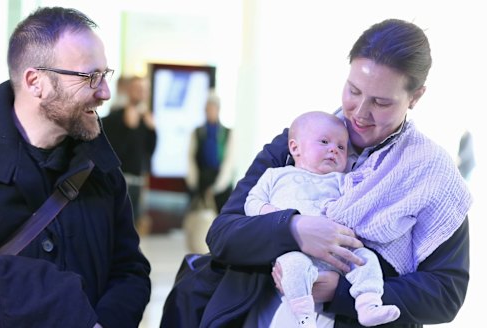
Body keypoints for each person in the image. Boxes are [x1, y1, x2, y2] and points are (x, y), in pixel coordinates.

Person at [197, 18, 473, 328]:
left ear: (416, 96)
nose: (360, 113)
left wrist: (340, 292)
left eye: (381, 102)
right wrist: (293, 228)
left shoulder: (430, 174)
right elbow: (223, 235)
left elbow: (445, 294)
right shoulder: (299, 143)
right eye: (354, 91)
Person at [0, 6, 150, 328]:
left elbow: (129, 269)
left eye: (105, 75)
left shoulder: (101, 167)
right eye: (91, 77)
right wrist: (49, 302)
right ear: (36, 82)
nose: (104, 92)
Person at [244, 111, 399, 327]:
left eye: (341, 147)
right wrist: (276, 215)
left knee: (365, 259)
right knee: (293, 266)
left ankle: (368, 304)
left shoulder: (343, 181)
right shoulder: (276, 175)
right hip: (295, 250)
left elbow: (360, 207)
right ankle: (304, 316)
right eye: (324, 142)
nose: (334, 149)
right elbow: (252, 202)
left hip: (339, 255)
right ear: (295, 147)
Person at [102, 75, 157, 229]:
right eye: (138, 89)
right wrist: (128, 128)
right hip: (119, 181)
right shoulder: (114, 118)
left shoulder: (145, 120)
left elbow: (148, 153)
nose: (142, 93)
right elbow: (114, 152)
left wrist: (153, 131)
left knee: (132, 228)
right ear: (128, 90)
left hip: (138, 182)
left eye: (145, 89)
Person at [185, 92, 235, 213]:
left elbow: (229, 161)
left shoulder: (227, 133)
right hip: (201, 182)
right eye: (208, 108)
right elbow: (191, 158)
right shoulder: (197, 132)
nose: (210, 111)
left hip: (220, 184)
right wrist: (193, 182)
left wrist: (218, 186)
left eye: (213, 108)